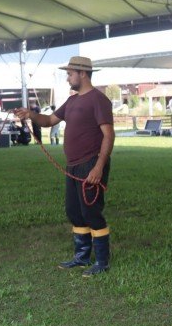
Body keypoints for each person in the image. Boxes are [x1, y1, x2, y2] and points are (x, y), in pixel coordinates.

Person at [14, 56, 115, 277]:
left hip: (91, 163)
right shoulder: (71, 101)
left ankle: (102, 261)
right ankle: (81, 257)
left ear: (83, 74)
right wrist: (30, 114)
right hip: (73, 166)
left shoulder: (98, 100)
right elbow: (49, 121)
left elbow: (108, 135)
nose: (68, 77)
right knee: (74, 212)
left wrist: (98, 167)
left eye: (70, 73)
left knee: (92, 212)